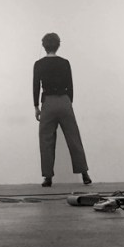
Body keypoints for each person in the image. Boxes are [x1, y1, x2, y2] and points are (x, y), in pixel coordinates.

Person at [33, 33, 92, 187]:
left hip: (48, 102)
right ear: (58, 45)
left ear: (44, 46)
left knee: (46, 140)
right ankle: (84, 174)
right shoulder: (65, 63)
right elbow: (70, 85)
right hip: (64, 101)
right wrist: (68, 102)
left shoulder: (38, 64)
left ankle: (48, 177)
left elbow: (36, 86)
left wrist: (36, 106)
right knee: (74, 138)